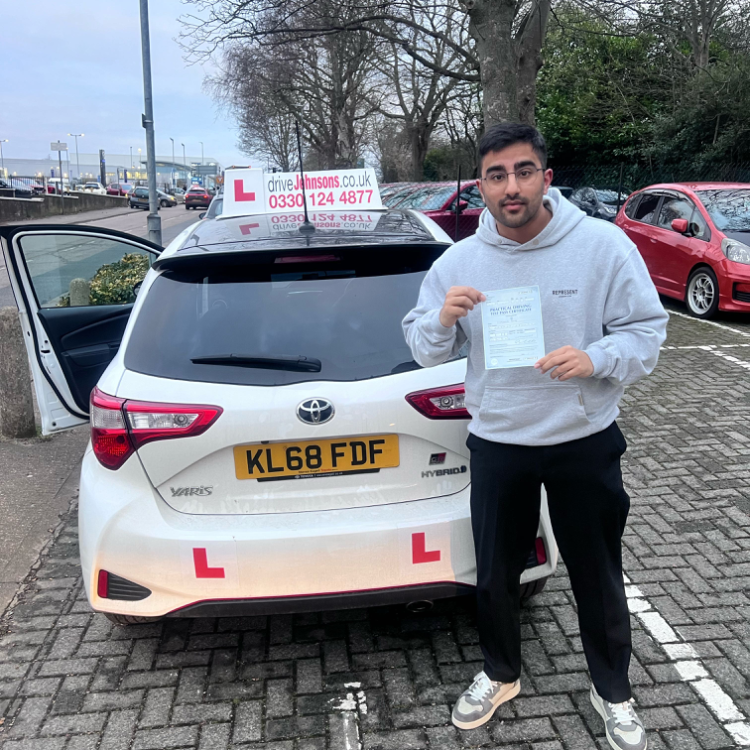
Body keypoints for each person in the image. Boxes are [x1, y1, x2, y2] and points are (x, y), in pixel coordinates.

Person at [402, 123, 668, 750]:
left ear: (546, 178)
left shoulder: (602, 246)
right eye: (496, 176)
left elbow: (647, 331)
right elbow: (420, 346)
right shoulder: (458, 262)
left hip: (583, 437)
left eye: (523, 172)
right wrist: (441, 320)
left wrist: (597, 358)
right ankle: (501, 674)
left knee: (597, 572)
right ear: (481, 187)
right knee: (496, 574)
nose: (511, 187)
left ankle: (613, 689)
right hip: (499, 440)